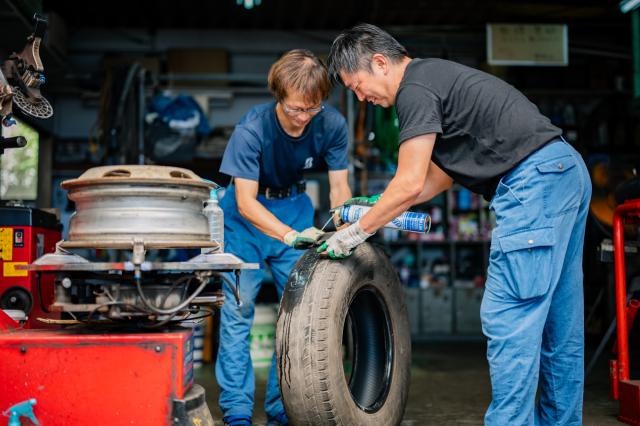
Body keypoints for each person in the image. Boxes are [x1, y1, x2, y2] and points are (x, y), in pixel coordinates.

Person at [322, 23, 591, 425]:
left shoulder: (413, 89)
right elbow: (438, 177)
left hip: (533, 185)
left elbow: (409, 183)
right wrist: (383, 202)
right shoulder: (436, 78)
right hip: (564, 173)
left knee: (510, 319)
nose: (361, 97)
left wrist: (356, 232)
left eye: (358, 85)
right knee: (558, 325)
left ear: (380, 62)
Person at [215, 49, 352, 426]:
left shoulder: (333, 125)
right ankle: (237, 413)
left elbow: (340, 189)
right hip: (245, 222)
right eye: (294, 109)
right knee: (237, 315)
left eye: (311, 110)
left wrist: (345, 232)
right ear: (279, 97)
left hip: (295, 208)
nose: (302, 119)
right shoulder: (252, 129)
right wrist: (288, 236)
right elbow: (243, 201)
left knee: (297, 317)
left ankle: (281, 408)